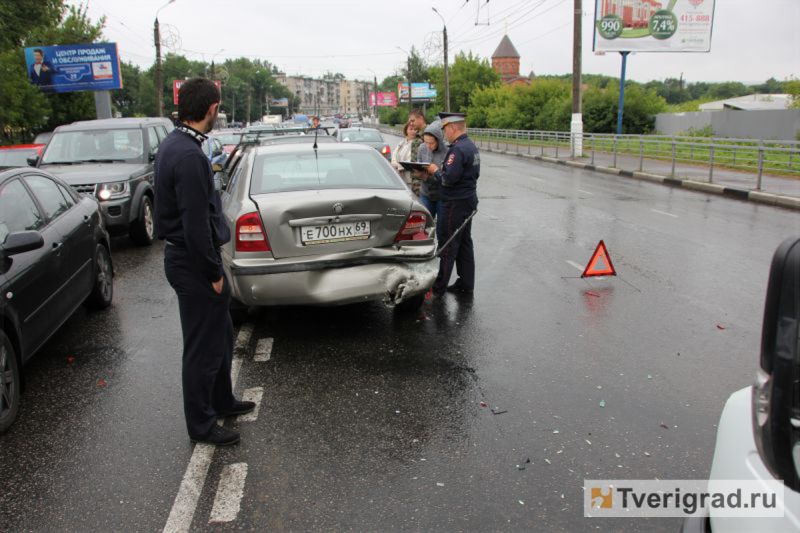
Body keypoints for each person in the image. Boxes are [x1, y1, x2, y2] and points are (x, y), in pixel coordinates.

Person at [154, 77, 255, 447]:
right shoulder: (188, 155)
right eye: (219, 108)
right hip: (194, 261)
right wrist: (213, 272)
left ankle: (221, 400)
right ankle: (201, 424)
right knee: (202, 348)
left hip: (193, 257)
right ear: (211, 109)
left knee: (222, 335)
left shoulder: (177, 144)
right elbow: (194, 224)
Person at [424, 112, 479, 296]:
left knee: (448, 244)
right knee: (464, 243)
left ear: (453, 127)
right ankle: (466, 283)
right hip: (467, 200)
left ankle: (438, 289)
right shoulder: (470, 146)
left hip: (454, 203)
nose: (444, 133)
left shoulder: (457, 150)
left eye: (445, 129)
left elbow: (448, 179)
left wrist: (434, 170)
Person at [414, 121, 445, 219]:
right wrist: (418, 173)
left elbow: (447, 177)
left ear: (438, 140)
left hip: (442, 196)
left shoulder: (447, 151)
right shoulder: (422, 148)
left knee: (442, 227)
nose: (428, 146)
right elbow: (419, 165)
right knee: (425, 225)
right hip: (426, 193)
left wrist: (431, 174)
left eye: (431, 143)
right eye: (425, 142)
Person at [390, 120, 417, 188]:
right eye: (411, 129)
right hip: (399, 178)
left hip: (409, 180)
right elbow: (394, 155)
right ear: (406, 130)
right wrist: (395, 164)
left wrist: (398, 166)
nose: (413, 131)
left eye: (415, 129)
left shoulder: (417, 144)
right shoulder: (401, 143)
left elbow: (411, 160)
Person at [407, 109, 428, 197]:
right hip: (415, 180)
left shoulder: (429, 134)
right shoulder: (418, 134)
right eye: (409, 121)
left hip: (424, 183)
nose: (410, 123)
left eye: (412, 120)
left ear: (420, 118)